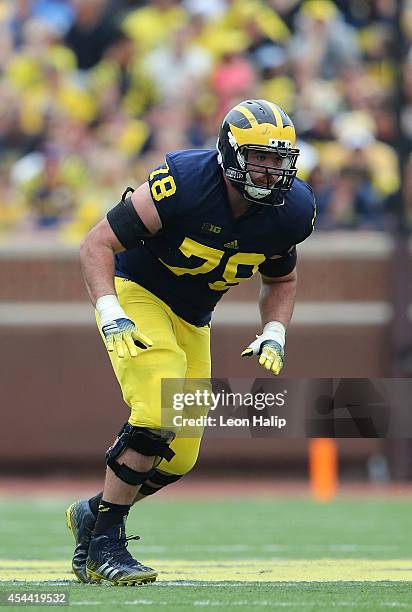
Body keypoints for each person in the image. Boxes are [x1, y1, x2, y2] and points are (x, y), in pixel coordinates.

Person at [65, 99, 316, 586]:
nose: (271, 171)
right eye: (260, 157)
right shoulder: (184, 183)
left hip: (194, 316)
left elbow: (281, 279)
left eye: (279, 159)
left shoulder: (292, 211)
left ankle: (93, 514)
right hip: (138, 294)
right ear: (229, 153)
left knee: (180, 455)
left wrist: (275, 329)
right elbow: (97, 242)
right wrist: (109, 307)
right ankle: (105, 547)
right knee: (156, 413)